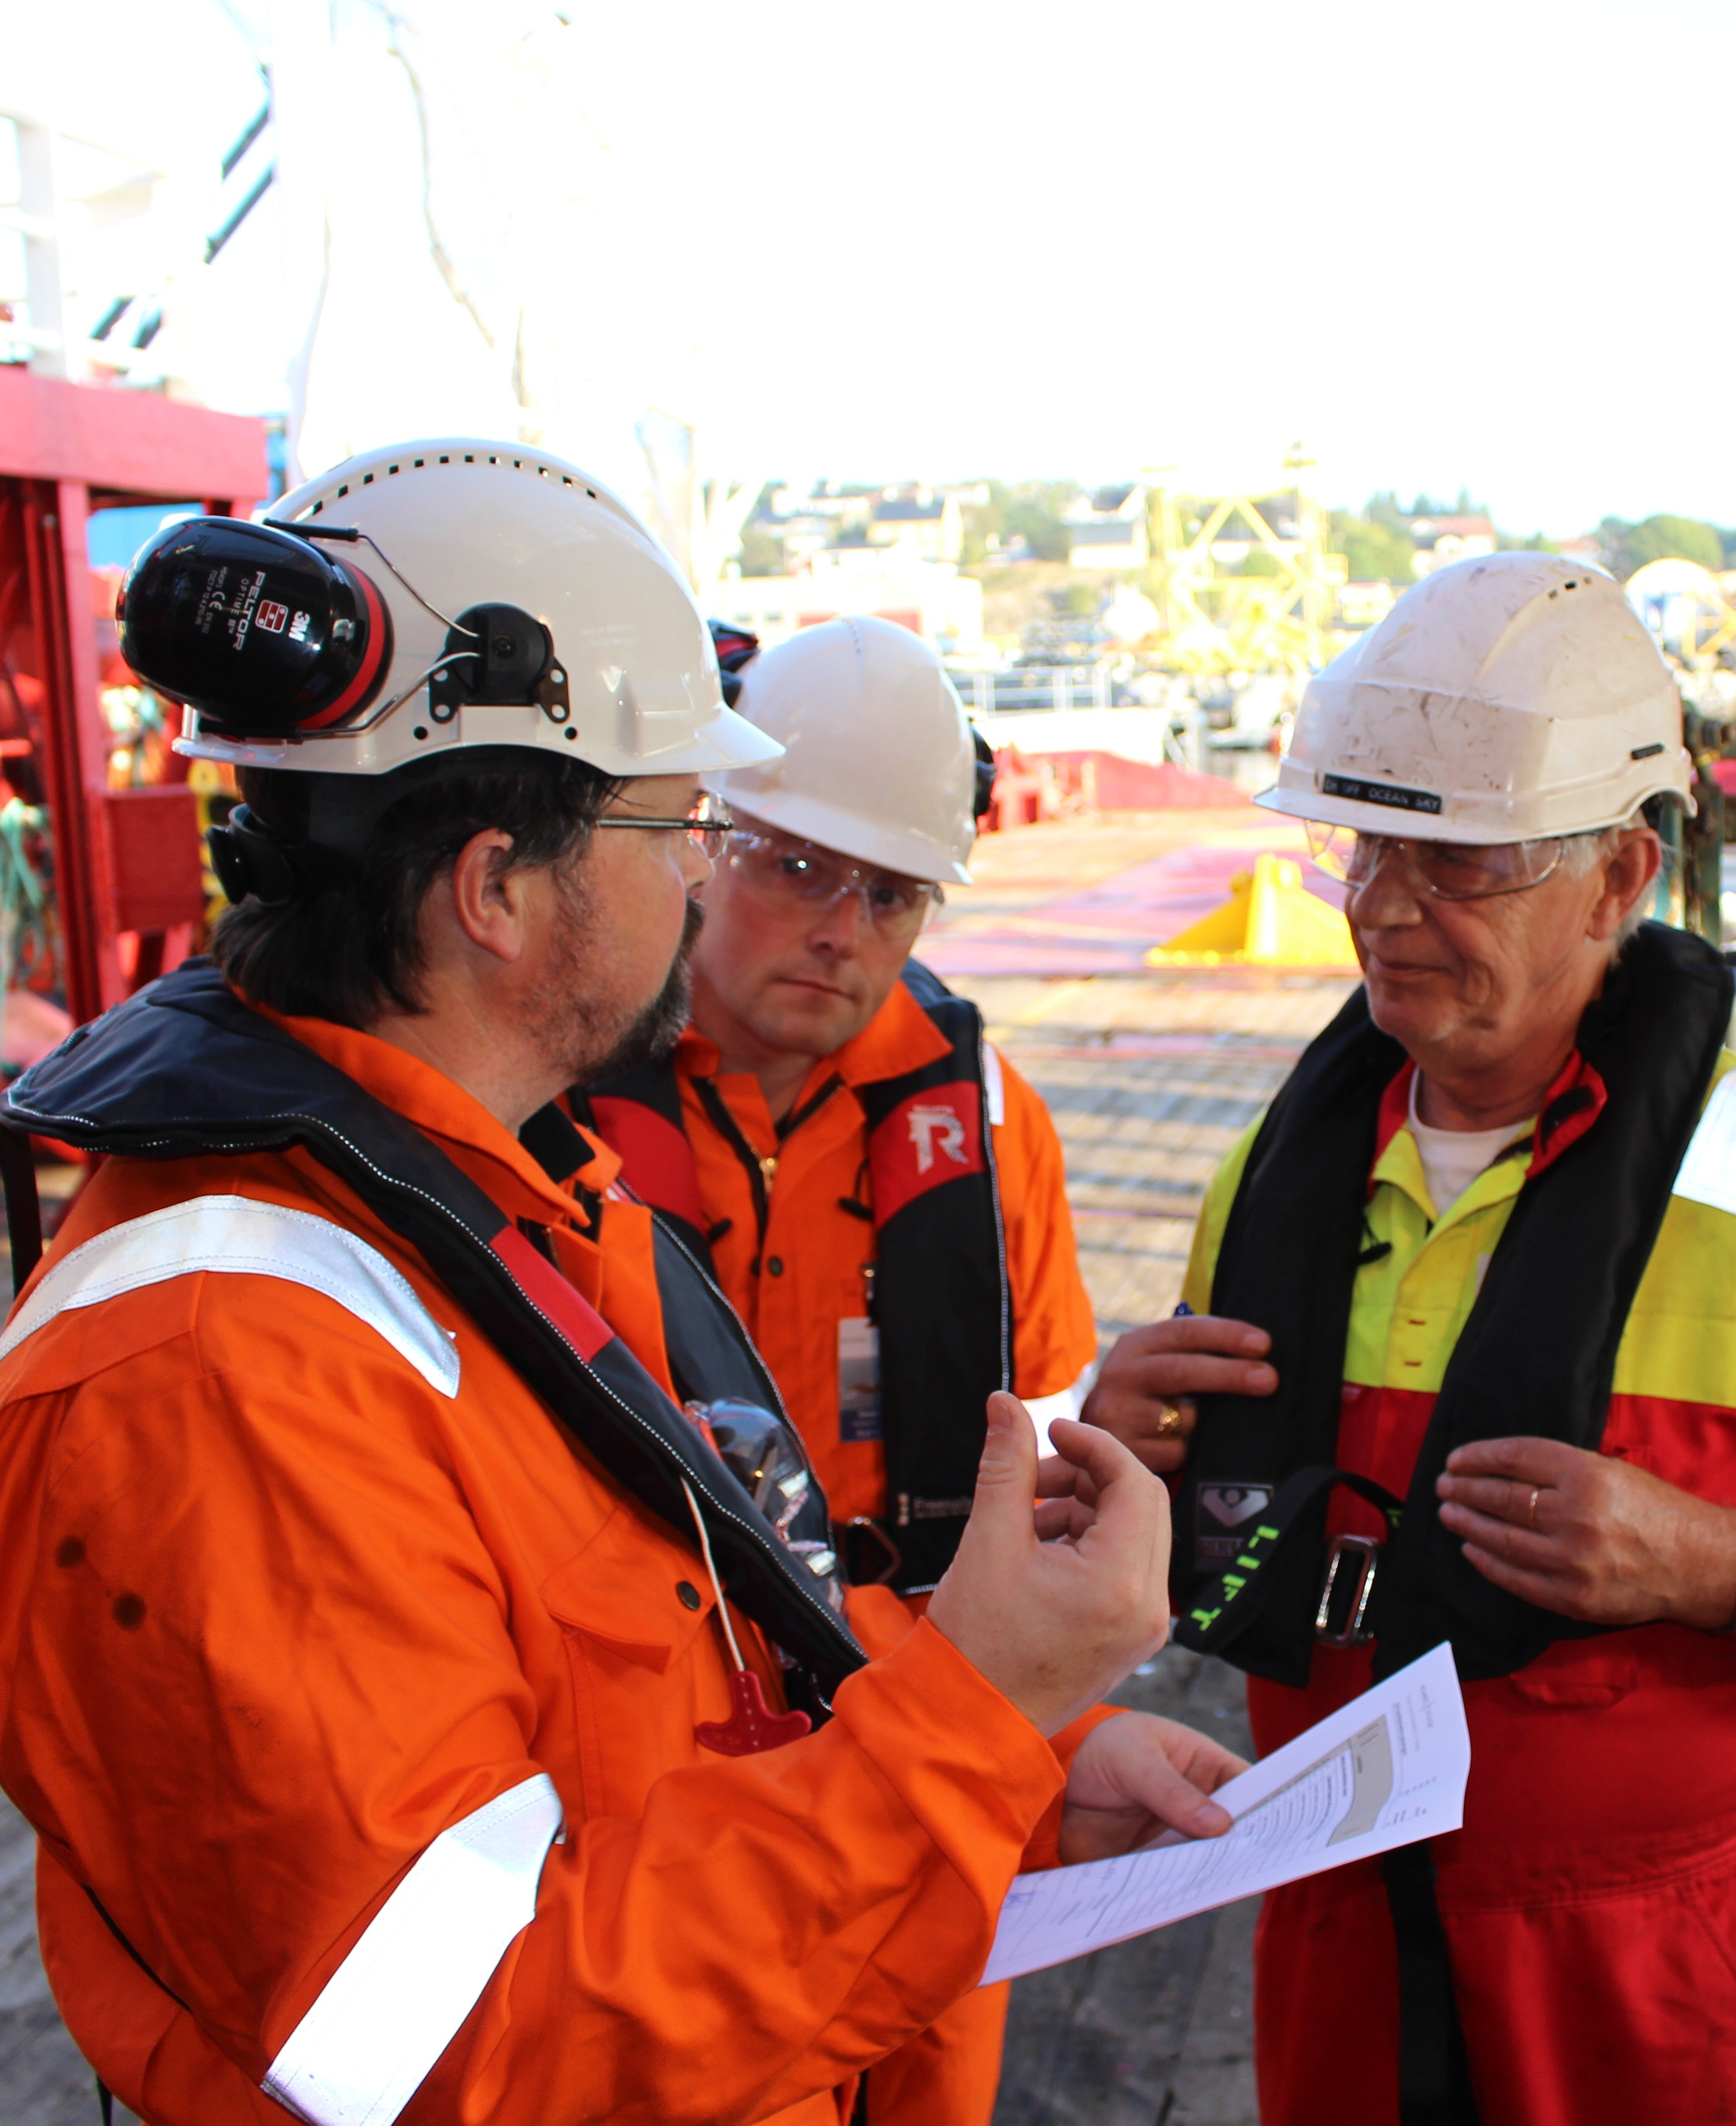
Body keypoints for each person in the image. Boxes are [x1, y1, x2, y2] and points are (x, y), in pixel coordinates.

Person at [0, 440, 1240, 2126]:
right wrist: (980, 1720)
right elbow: (488, 2046)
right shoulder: (212, 1379)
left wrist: (1033, 1769)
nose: (701, 873)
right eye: (681, 822)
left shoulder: (496, 1222)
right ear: (499, 890)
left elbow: (669, 1715)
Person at [1083, 554, 1736, 2126]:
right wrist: (1122, 1455)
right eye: (1369, 843)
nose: (1387, 907)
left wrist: (1729, 1564)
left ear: (1620, 878)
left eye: (1459, 861)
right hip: (1337, 1938)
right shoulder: (1278, 1177)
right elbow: (1184, 1538)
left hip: (1652, 1978)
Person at [567, 613, 1097, 2122]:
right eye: (792, 865)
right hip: (661, 1739)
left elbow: (1043, 1431)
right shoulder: (555, 1104)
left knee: (931, 2070)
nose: (840, 926)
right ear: (702, 839)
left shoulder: (992, 1132)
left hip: (927, 1716)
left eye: (890, 892)